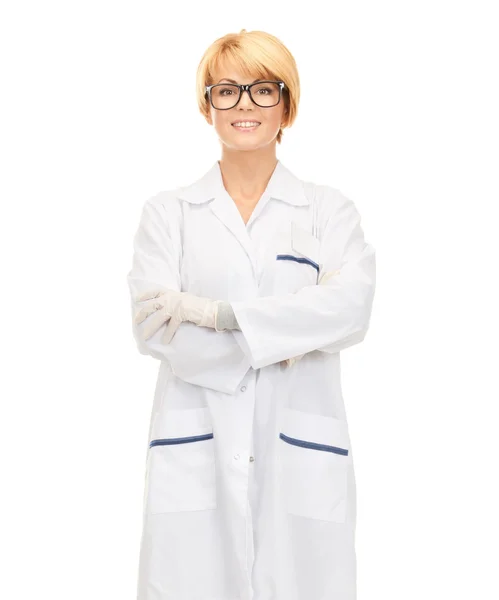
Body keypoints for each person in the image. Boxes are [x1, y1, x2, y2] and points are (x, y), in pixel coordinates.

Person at [127, 28, 376, 600]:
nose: (245, 105)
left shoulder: (328, 212)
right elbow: (152, 325)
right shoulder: (169, 214)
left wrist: (216, 314)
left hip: (299, 455)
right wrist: (291, 333)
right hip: (197, 449)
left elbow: (351, 310)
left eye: (264, 90)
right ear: (205, 104)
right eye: (228, 90)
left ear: (287, 105)